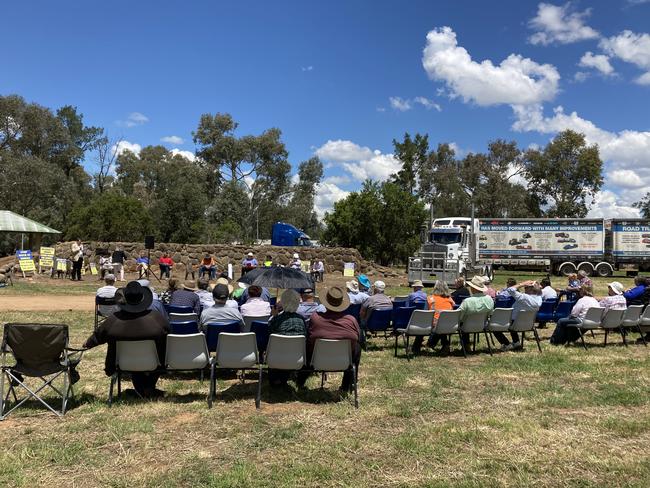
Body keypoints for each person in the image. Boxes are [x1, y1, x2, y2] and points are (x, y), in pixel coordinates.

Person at [83, 281, 169, 397]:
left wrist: (87, 344)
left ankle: (142, 390)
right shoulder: (156, 318)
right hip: (156, 362)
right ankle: (147, 388)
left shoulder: (114, 320)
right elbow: (169, 331)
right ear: (143, 299)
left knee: (134, 362)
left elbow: (98, 336)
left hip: (122, 363)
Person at [296, 286, 361, 392]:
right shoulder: (351, 320)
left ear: (326, 302)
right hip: (344, 361)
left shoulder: (316, 318)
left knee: (308, 346)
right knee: (357, 348)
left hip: (316, 360)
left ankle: (300, 382)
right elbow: (358, 338)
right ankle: (347, 385)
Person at [267, 290, 308, 386]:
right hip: (297, 358)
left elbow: (269, 334)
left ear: (283, 302)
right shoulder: (301, 320)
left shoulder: (276, 320)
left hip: (277, 357)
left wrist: (273, 316)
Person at [492, 280, 542, 351]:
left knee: (494, 326)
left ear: (531, 289)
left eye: (525, 287)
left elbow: (510, 290)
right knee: (514, 318)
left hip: (515, 324)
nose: (524, 289)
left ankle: (506, 344)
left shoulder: (523, 297)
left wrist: (522, 283)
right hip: (529, 324)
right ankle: (516, 342)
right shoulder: (539, 299)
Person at [457, 276, 494, 347]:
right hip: (482, 325)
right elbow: (490, 314)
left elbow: (458, 315)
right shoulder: (489, 299)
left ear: (473, 288)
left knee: (463, 322)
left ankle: (466, 345)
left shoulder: (467, 301)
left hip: (466, 327)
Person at [421, 280, 455, 354]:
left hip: (434, 325)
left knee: (438, 326)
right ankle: (445, 344)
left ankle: (428, 345)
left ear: (435, 288)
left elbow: (425, 313)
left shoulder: (430, 299)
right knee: (442, 325)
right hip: (450, 325)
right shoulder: (450, 300)